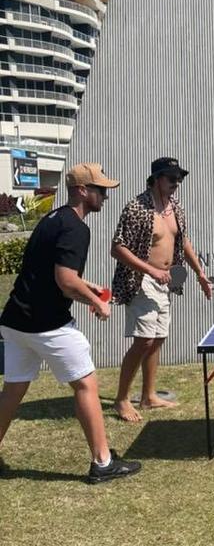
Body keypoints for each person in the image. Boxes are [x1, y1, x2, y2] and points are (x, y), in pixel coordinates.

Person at [0, 163, 141, 484]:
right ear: (82, 190)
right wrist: (97, 303)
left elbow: (52, 274)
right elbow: (65, 281)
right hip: (47, 324)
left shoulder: (52, 219)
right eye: (100, 190)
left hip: (15, 320)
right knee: (86, 385)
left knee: (12, 391)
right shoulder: (77, 228)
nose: (105, 196)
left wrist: (89, 289)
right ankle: (103, 462)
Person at [111, 157, 213, 422]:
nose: (176, 183)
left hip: (165, 282)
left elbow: (184, 242)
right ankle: (122, 399)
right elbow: (117, 248)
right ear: (156, 179)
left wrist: (200, 274)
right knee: (143, 340)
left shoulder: (174, 207)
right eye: (171, 178)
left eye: (179, 179)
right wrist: (150, 270)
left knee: (157, 339)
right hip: (141, 280)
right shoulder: (137, 208)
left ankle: (148, 396)